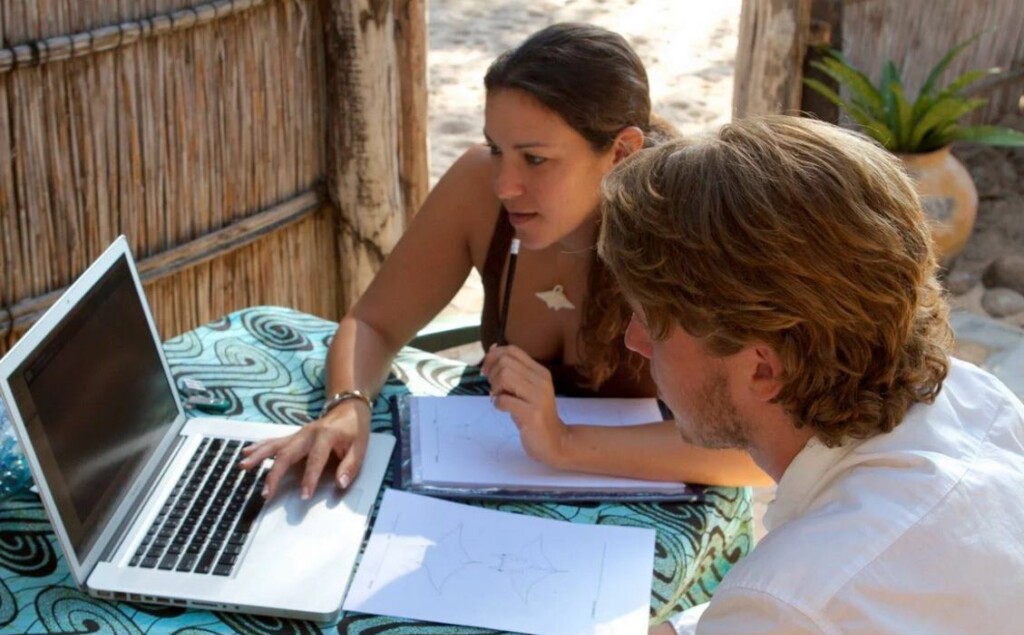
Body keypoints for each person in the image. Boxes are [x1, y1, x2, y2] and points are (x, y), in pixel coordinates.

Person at [240, 23, 770, 499]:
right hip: (489, 470)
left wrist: (562, 443)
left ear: (622, 153)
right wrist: (347, 405)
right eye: (497, 149)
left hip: (657, 496)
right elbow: (375, 322)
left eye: (535, 159)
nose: (505, 184)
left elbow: (756, 452)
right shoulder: (479, 192)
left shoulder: (687, 233)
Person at [584, 115, 1024, 635]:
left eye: (652, 320)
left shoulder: (789, 607)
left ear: (763, 369)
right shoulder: (972, 400)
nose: (634, 341)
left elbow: (810, 614)